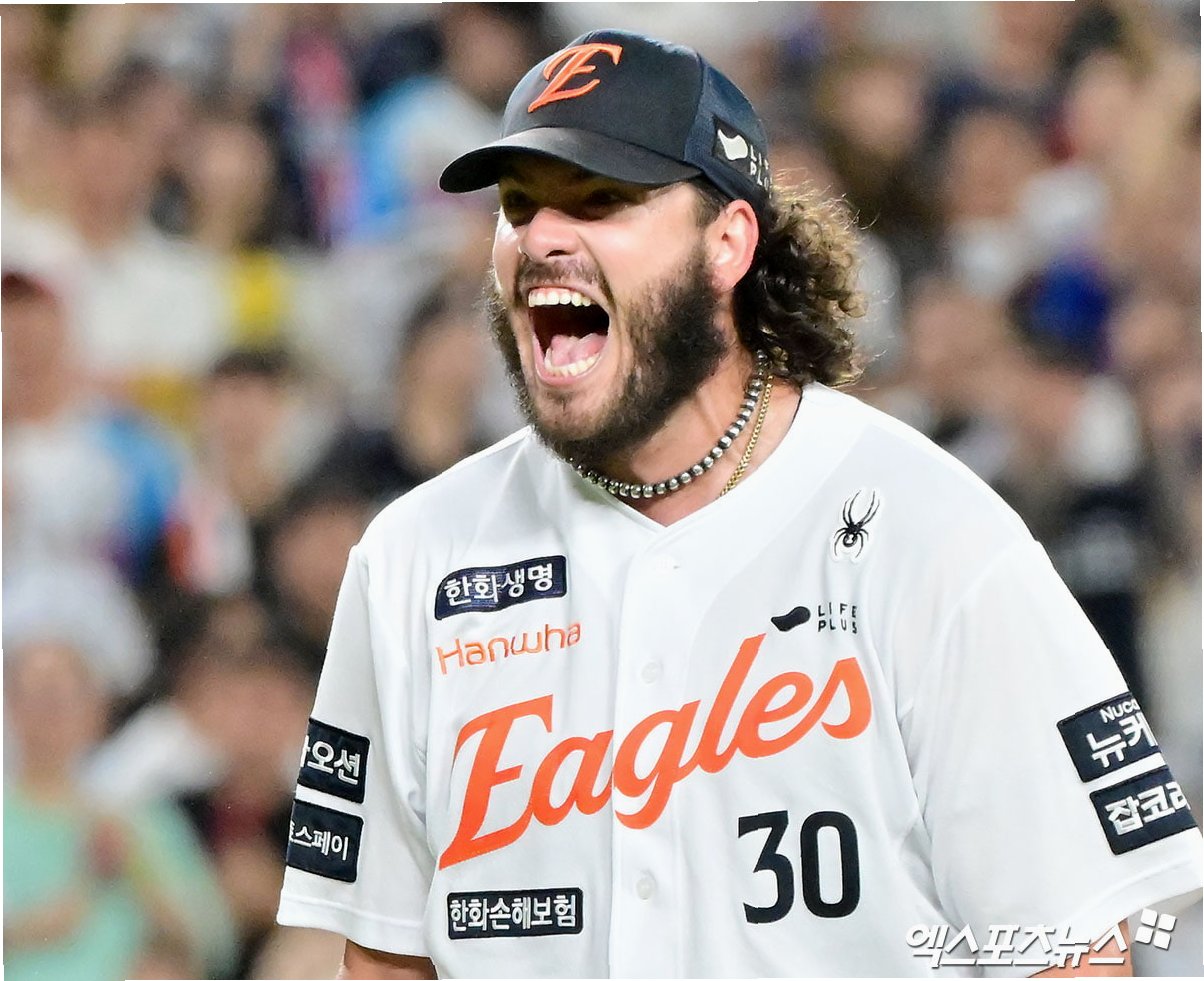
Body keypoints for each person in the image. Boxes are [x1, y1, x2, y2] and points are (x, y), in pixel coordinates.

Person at [276, 30, 1201, 979]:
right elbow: (385, 956)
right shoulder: (412, 559)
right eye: (519, 204)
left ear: (728, 244)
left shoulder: (937, 537)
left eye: (600, 199)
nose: (542, 236)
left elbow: (1070, 952)